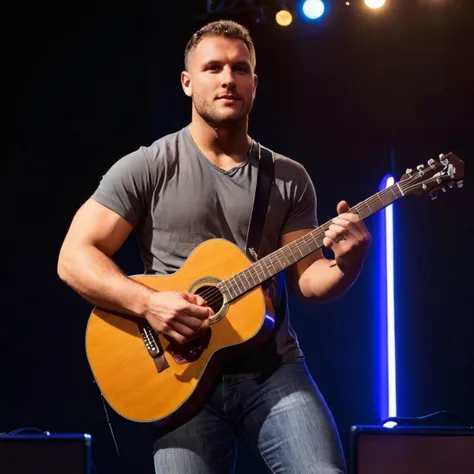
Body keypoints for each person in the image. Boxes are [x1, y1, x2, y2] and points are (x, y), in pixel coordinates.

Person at [58, 19, 371, 474]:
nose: (228, 79)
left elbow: (309, 282)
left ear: (255, 84)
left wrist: (349, 263)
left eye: (240, 69)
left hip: (272, 370)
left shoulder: (288, 178)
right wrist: (149, 304)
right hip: (179, 375)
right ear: (187, 82)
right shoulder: (148, 166)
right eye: (213, 68)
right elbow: (73, 258)